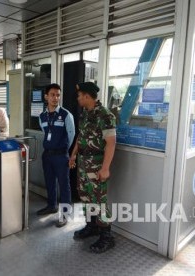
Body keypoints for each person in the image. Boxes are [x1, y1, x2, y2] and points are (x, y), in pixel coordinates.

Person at [69, 82, 117, 253]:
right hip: (83, 163)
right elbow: (80, 136)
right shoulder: (85, 114)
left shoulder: (105, 116)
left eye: (79, 95)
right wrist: (73, 154)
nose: (78, 98)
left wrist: (105, 168)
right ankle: (91, 226)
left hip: (97, 165)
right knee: (85, 196)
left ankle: (106, 236)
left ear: (87, 96)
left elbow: (111, 144)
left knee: (99, 200)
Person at [36, 84, 75, 227]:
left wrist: (63, 149)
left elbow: (71, 135)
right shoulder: (42, 116)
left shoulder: (66, 115)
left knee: (64, 185)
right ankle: (51, 205)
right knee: (50, 182)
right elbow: (45, 132)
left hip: (61, 155)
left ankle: (64, 214)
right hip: (47, 155)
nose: (55, 98)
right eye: (52, 94)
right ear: (46, 96)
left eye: (58, 95)